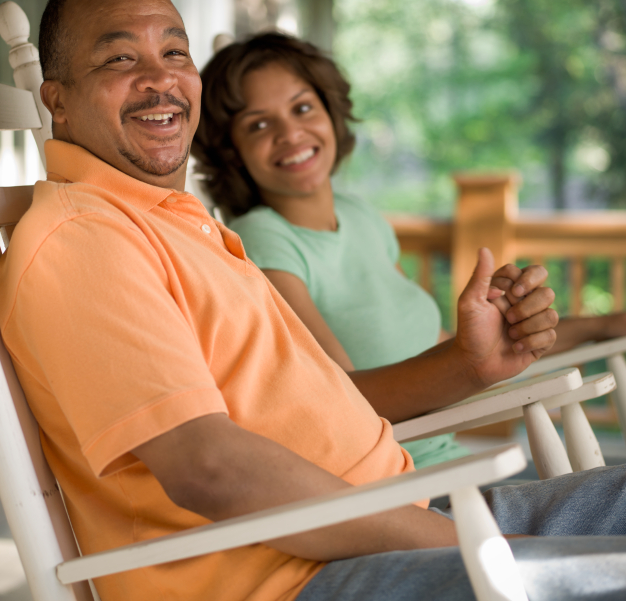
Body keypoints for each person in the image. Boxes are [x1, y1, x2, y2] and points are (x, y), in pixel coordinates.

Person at [0, 0, 626, 601]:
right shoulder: (85, 240)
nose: (160, 78)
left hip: (390, 518)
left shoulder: (182, 227)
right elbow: (207, 468)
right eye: (120, 58)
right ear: (59, 101)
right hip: (291, 577)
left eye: (174, 51)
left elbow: (330, 405)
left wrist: (471, 364)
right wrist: (475, 546)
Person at [192, 31, 626, 468]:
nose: (290, 132)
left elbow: (444, 348)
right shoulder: (263, 241)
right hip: (406, 486)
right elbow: (340, 399)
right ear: (232, 152)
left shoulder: (359, 217)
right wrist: (470, 363)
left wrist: (602, 325)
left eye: (303, 107)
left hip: (452, 462)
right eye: (258, 124)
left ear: (330, 112)